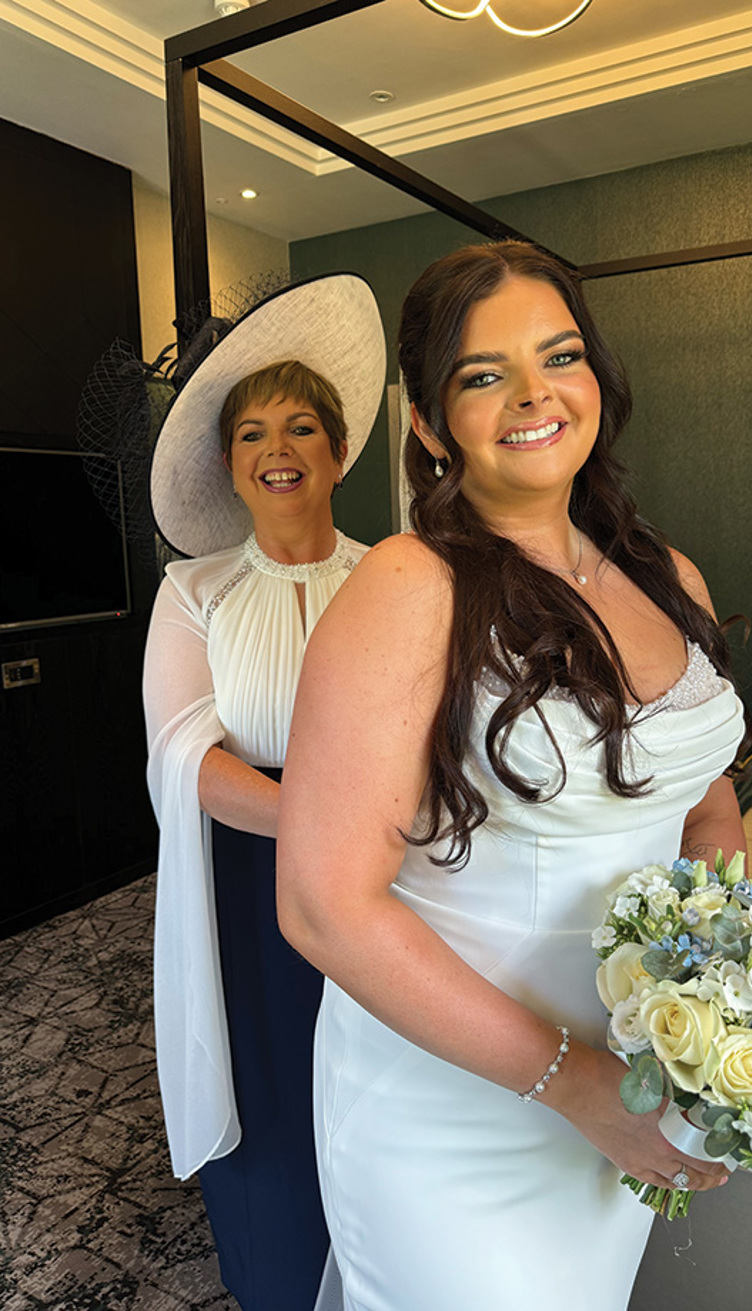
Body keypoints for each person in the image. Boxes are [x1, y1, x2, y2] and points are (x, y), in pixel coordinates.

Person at [276, 242, 752, 1311]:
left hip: (625, 1075)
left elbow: (707, 803)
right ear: (431, 423)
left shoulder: (665, 576)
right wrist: (574, 1084)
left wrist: (716, 987)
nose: (534, 395)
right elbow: (322, 906)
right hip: (455, 1107)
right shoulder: (412, 585)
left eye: (560, 355)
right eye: (483, 374)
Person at [142, 274, 385, 1311]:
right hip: (249, 881)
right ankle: (282, 1278)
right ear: (231, 465)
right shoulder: (191, 592)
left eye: (298, 426)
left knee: (386, 1072)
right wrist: (321, 823)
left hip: (393, 866)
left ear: (334, 451)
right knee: (274, 1080)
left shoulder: (395, 577)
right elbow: (185, 753)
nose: (275, 447)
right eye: (250, 433)